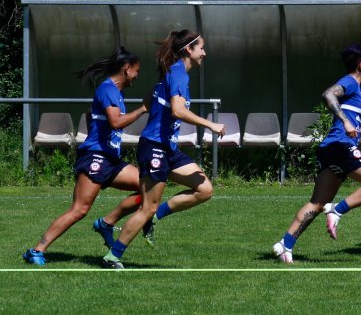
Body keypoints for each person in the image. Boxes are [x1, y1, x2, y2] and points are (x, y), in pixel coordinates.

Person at [102, 30, 225, 269]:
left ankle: (154, 219)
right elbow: (178, 111)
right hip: (155, 147)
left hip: (167, 148)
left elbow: (152, 99)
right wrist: (210, 124)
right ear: (189, 50)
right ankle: (113, 256)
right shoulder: (177, 73)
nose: (204, 53)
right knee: (147, 206)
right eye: (201, 48)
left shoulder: (173, 74)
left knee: (205, 189)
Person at [23, 47, 147, 266]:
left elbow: (93, 115)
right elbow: (116, 122)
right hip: (96, 159)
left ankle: (107, 223)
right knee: (79, 209)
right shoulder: (108, 89)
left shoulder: (115, 92)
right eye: (136, 70)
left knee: (148, 186)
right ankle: (36, 250)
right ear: (127, 69)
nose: (137, 75)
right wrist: (143, 109)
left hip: (110, 159)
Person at [273, 44, 361, 264]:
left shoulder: (356, 91)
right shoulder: (350, 81)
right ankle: (337, 211)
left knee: (317, 203)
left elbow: (356, 127)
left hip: (331, 148)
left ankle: (285, 244)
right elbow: (328, 94)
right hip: (340, 147)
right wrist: (345, 120)